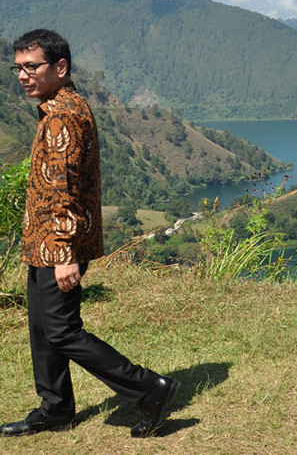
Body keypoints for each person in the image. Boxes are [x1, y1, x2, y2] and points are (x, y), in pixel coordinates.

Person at [0, 29, 179, 439]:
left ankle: (150, 388)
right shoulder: (59, 106)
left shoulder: (64, 114)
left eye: (32, 66)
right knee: (44, 327)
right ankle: (55, 406)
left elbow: (62, 186)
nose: (23, 75)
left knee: (62, 330)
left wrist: (63, 253)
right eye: (18, 67)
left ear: (60, 67)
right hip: (43, 240)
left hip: (57, 242)